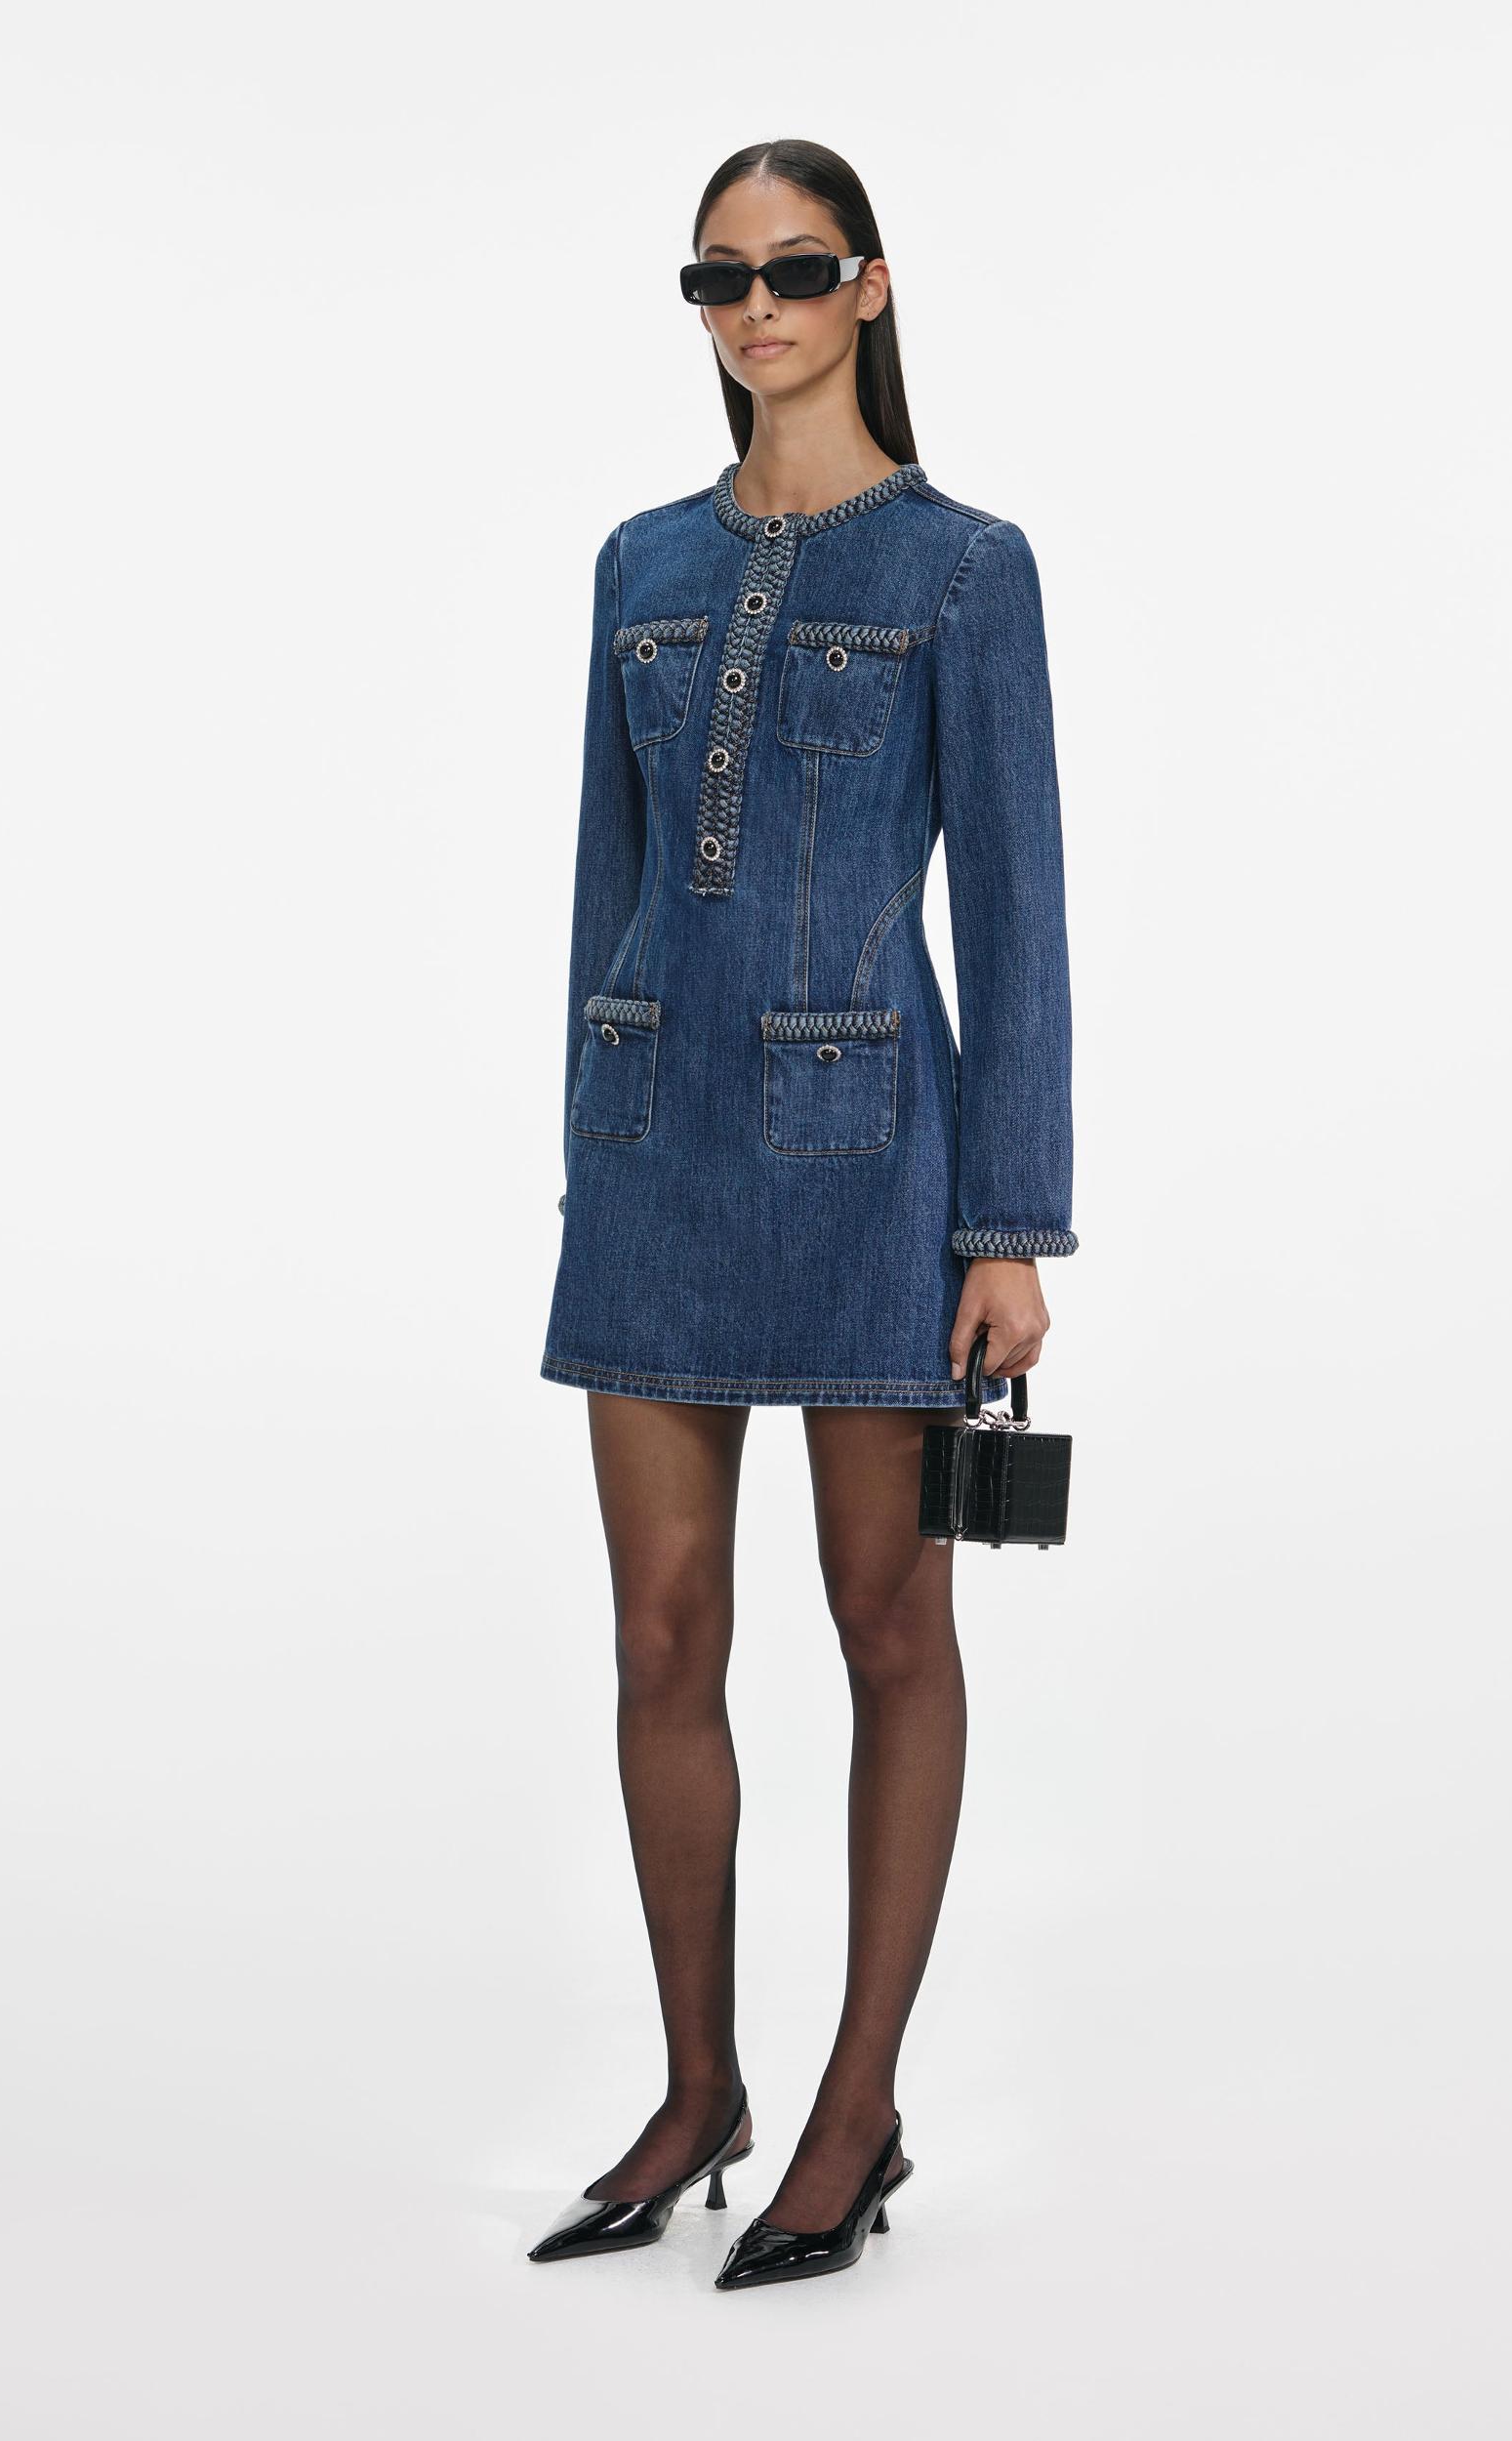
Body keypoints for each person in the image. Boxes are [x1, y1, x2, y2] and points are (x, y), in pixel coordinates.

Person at [530, 138, 1079, 2292]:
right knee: (661, 1634)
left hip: (874, 1162)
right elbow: (608, 880)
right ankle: (702, 2089)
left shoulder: (965, 569)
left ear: (868, 286)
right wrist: (583, 1135)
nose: (751, 307)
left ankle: (856, 2107)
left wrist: (1008, 1221)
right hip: (649, 1148)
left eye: (791, 267)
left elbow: (1017, 915)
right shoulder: (638, 563)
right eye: (715, 276)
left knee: (888, 1627)